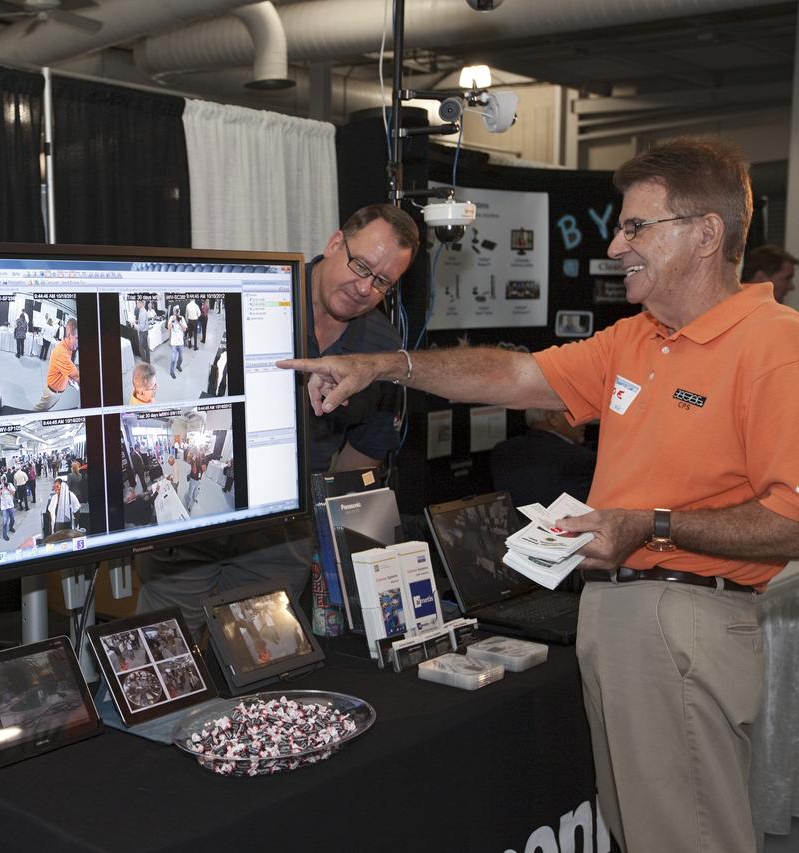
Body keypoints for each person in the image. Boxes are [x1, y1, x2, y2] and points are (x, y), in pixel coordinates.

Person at [280, 138, 799, 853]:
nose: (617, 245)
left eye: (636, 227)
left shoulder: (774, 344)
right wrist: (383, 364)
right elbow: (510, 376)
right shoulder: (638, 339)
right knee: (642, 831)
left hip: (686, 613)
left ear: (706, 234)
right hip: (616, 610)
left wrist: (648, 525)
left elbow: (790, 521)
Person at [136, 203, 419, 632]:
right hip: (197, 528)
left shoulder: (381, 343)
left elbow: (365, 448)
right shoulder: (258, 294)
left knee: (263, 653)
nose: (364, 287)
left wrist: (318, 527)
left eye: (382, 281)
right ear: (335, 243)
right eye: (360, 265)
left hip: (283, 538)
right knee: (167, 651)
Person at [489, 408, 596, 507]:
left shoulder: (502, 451)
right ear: (553, 418)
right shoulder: (582, 459)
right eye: (575, 413)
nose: (586, 420)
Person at [32, 317, 80, 412]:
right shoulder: (62, 352)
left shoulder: (67, 348)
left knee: (44, 350)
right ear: (69, 335)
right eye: (77, 338)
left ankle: (41, 357)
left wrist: (68, 379)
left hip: (55, 392)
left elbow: (63, 369)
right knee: (35, 413)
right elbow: (77, 377)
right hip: (52, 394)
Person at [167, 309, 186, 378]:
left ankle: (178, 366)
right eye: (175, 312)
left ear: (179, 312)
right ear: (173, 312)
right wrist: (173, 321)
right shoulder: (171, 318)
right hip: (174, 343)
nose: (176, 314)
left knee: (181, 358)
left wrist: (179, 322)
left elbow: (185, 329)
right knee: (173, 358)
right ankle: (172, 371)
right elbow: (168, 328)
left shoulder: (182, 318)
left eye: (177, 312)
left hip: (180, 342)